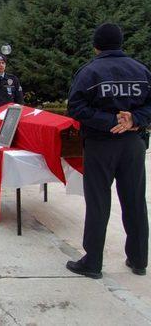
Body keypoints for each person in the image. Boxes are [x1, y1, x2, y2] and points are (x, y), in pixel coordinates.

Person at [66, 23, 151, 279]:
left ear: (96, 46)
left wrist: (110, 121)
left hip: (101, 145)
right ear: (120, 43)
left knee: (99, 203)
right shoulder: (141, 70)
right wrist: (133, 120)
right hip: (133, 144)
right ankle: (139, 260)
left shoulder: (89, 72)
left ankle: (92, 263)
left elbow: (76, 107)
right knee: (135, 201)